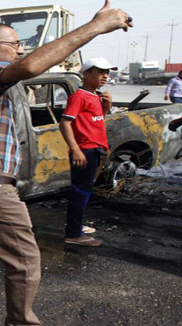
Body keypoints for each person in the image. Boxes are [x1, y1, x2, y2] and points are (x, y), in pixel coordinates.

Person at [0, 1, 133, 324]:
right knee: (25, 261)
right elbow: (30, 68)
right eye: (14, 45)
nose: (19, 51)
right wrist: (96, 26)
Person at [59, 57, 115, 247]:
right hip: (86, 150)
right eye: (100, 72)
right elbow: (65, 123)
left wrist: (106, 108)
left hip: (95, 149)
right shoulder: (79, 96)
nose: (105, 76)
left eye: (107, 72)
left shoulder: (95, 96)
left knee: (84, 191)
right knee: (80, 192)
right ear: (86, 74)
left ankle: (77, 225)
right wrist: (76, 150)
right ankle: (74, 233)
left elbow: (93, 122)